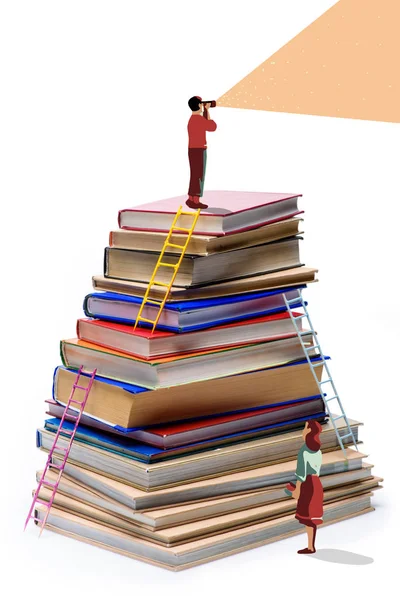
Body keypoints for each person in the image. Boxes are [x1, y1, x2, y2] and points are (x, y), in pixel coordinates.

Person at [291, 420, 324, 554]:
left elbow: (301, 474)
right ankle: (311, 546)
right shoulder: (318, 451)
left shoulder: (304, 451)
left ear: (309, 431)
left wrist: (297, 490)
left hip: (307, 485)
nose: (302, 431)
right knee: (312, 518)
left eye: (304, 428)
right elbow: (317, 471)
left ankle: (311, 546)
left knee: (307, 517)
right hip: (317, 483)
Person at [186, 96, 217, 210]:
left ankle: (191, 198)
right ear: (199, 105)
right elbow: (212, 127)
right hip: (198, 150)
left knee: (195, 175)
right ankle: (195, 200)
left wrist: (206, 111)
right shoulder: (198, 119)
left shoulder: (193, 118)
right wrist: (207, 110)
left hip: (193, 149)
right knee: (198, 175)